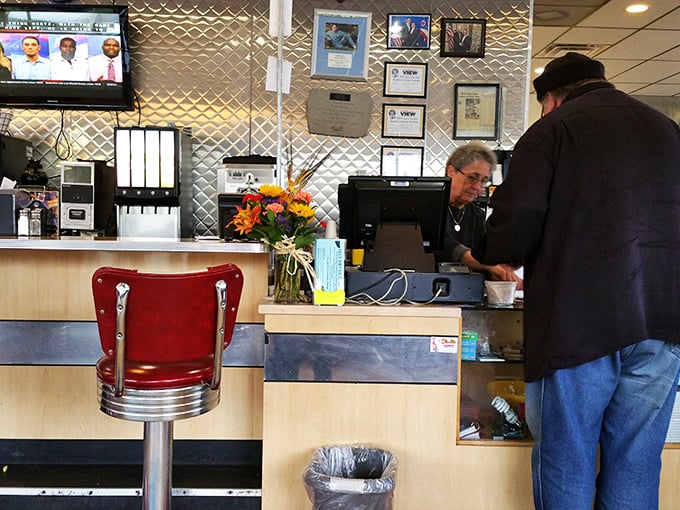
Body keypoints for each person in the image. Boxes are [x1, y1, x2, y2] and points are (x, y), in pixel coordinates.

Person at [471, 52, 680, 509]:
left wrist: (487, 254)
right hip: (664, 321)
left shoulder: (552, 131)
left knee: (568, 456)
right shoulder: (666, 130)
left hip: (579, 323)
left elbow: (516, 223)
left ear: (551, 99)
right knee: (637, 459)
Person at [436, 141, 522, 287]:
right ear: (451, 172)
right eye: (472, 177)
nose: (477, 187)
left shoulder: (476, 215)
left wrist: (503, 272)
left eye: (483, 181)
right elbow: (447, 249)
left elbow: (485, 253)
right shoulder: (431, 207)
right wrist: (490, 265)